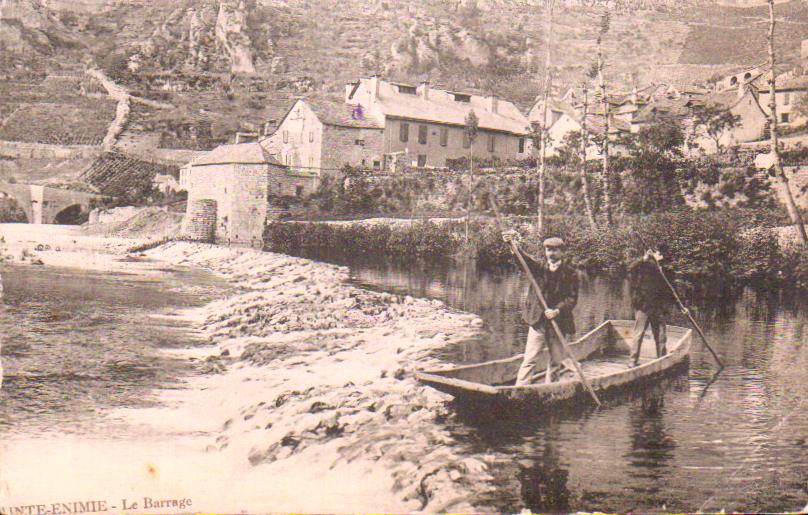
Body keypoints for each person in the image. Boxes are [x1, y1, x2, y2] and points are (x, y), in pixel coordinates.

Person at [502, 231, 579, 385]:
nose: (551, 253)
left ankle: (551, 390)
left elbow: (572, 298)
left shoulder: (571, 273)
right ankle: (520, 390)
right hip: (538, 322)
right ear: (545, 251)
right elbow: (523, 260)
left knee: (555, 361)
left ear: (562, 252)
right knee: (529, 359)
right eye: (548, 250)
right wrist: (512, 245)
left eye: (555, 250)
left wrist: (557, 310)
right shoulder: (539, 268)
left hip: (559, 322)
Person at [627, 244, 675, 368]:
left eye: (658, 253)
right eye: (656, 252)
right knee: (638, 334)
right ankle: (633, 361)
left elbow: (672, 291)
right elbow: (630, 268)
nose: (656, 254)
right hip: (643, 305)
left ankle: (662, 361)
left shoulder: (666, 271)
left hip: (658, 308)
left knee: (660, 336)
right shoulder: (645, 266)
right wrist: (643, 258)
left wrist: (681, 308)